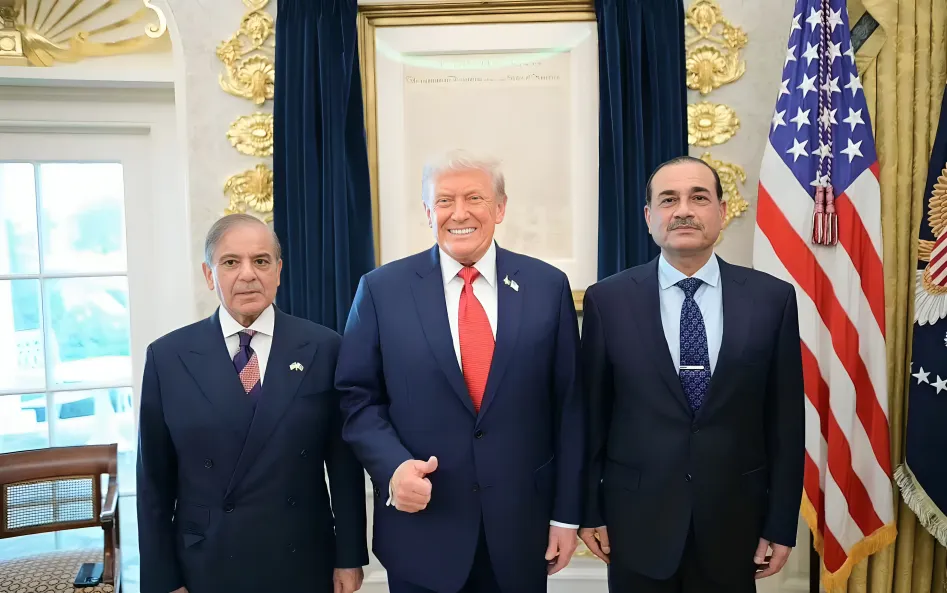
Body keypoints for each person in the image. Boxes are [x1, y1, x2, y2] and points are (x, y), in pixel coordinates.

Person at [335, 150, 584, 593]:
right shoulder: (380, 290)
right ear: (428, 212)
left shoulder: (547, 287)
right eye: (445, 200)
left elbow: (570, 407)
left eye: (475, 198)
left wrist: (565, 515)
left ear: (500, 208)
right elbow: (357, 399)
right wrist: (393, 468)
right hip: (422, 532)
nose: (460, 212)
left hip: (520, 535)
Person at [579, 156, 804, 593]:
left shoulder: (771, 300)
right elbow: (591, 419)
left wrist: (781, 523)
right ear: (649, 218)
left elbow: (786, 424)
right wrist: (590, 511)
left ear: (722, 211)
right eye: (668, 200)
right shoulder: (608, 301)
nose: (683, 209)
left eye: (698, 197)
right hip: (635, 526)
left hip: (735, 525)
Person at [136, 213, 368, 593]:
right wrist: (163, 580)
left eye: (260, 261)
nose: (248, 274)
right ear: (210, 275)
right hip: (206, 562)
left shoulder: (324, 347)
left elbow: (344, 466)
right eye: (230, 262)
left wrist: (349, 556)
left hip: (302, 559)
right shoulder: (168, 357)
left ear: (278, 271)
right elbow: (154, 485)